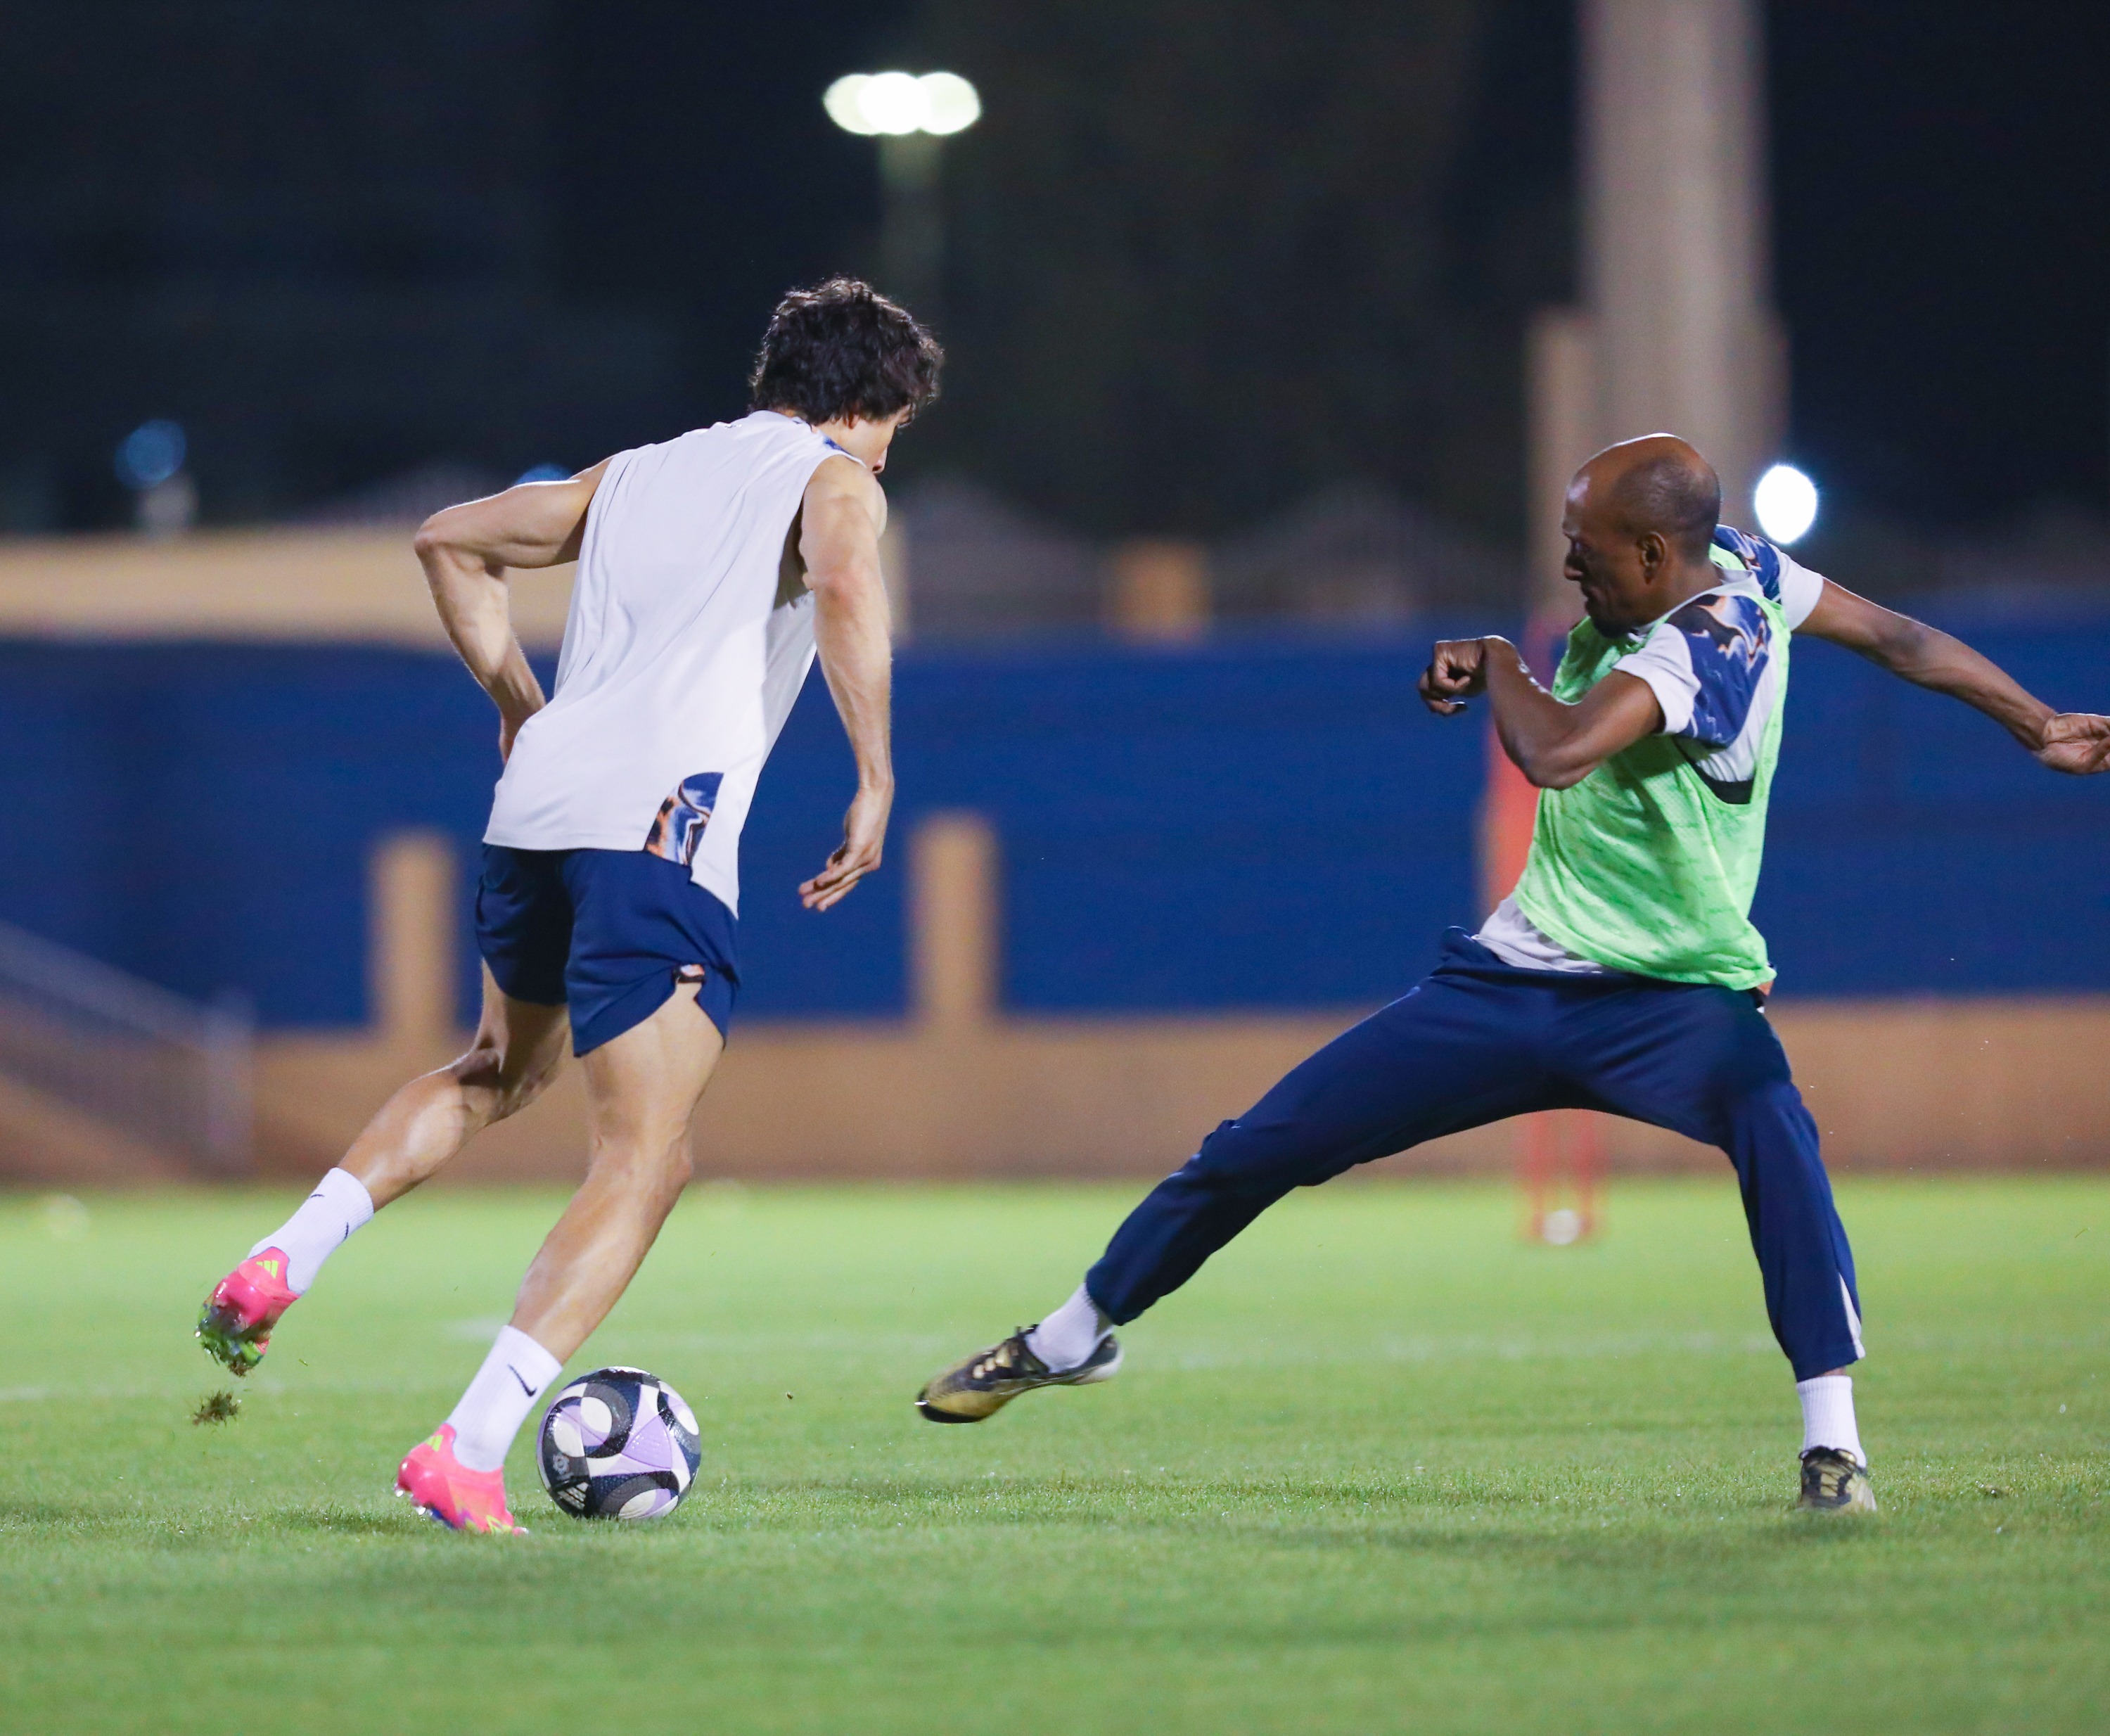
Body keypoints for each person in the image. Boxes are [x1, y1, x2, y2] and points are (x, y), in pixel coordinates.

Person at [916, 433, 2110, 1514]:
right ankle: (1072, 1337)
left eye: (1588, 546)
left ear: (1656, 552)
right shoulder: (1743, 560)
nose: (1569, 564)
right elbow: (1900, 637)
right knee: (1262, 1143)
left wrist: (1496, 658)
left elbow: (1560, 752)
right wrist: (2036, 721)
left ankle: (1833, 1446)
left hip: (1673, 1003)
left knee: (1774, 1130)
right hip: (1513, 985)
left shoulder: (1706, 641)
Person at [198, 277, 939, 1533]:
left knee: (497, 1068)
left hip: (536, 806)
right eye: (893, 429)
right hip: (661, 826)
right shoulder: (835, 479)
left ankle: (287, 1256)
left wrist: (517, 707)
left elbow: (448, 540)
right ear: (865, 407)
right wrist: (874, 776)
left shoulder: (634, 474)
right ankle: (467, 1449)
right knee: (647, 1157)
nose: (884, 456)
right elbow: (845, 584)